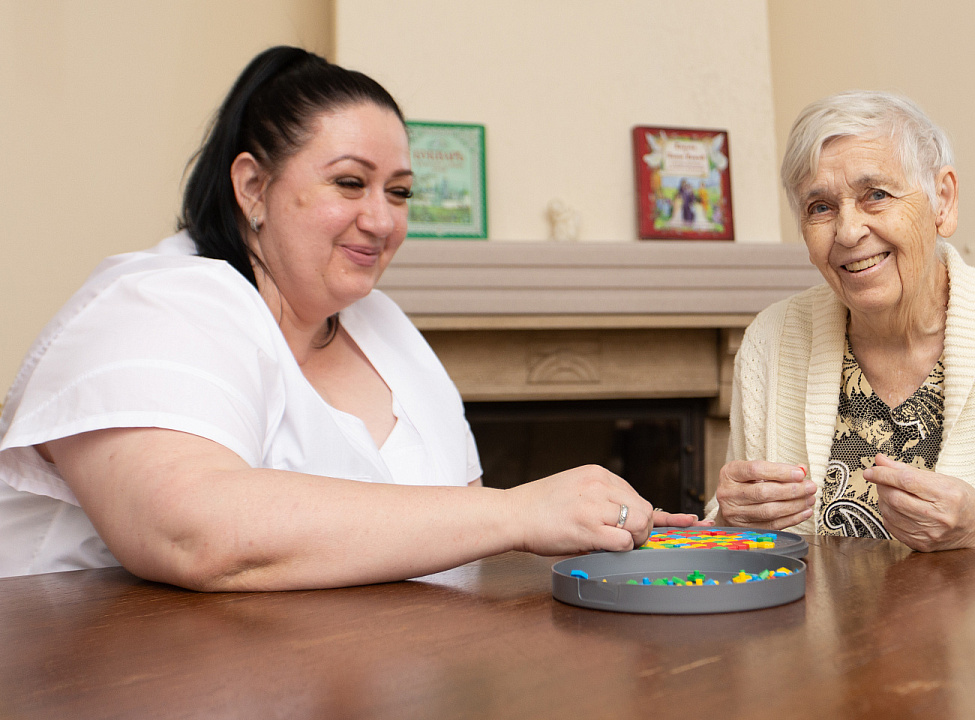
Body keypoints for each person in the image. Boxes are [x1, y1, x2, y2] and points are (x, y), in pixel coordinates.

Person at [0, 46, 696, 590]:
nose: (382, 220)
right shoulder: (156, 304)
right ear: (252, 187)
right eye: (349, 183)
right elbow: (192, 533)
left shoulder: (383, 327)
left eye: (399, 192)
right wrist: (520, 512)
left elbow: (450, 526)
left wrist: (597, 523)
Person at [707, 91, 975, 589]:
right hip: (810, 660)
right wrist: (728, 521)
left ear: (944, 200)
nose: (849, 231)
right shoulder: (771, 340)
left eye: (876, 194)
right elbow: (731, 546)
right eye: (821, 207)